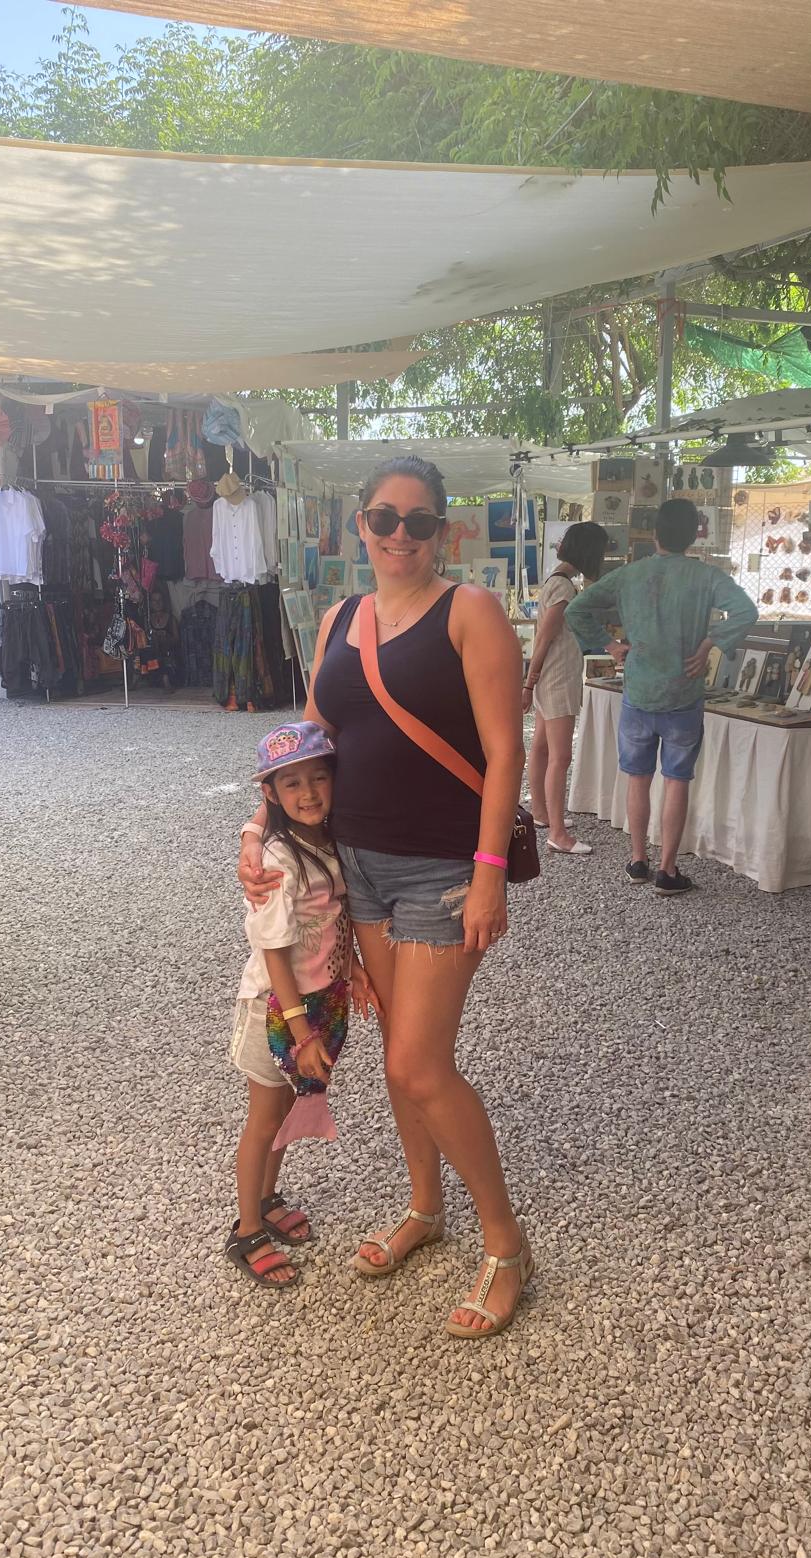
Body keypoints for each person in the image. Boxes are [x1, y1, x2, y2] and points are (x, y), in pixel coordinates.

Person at [239, 455, 533, 1338]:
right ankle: (424, 1206)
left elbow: (504, 752)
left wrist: (487, 872)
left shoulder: (471, 613)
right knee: (401, 1057)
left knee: (418, 1062)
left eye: (418, 520)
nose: (399, 534)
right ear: (358, 527)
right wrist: (261, 832)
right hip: (354, 867)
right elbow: (307, 743)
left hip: (441, 868)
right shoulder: (339, 619)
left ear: (443, 530)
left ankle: (506, 1244)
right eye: (383, 518)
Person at [226, 722, 381, 1288]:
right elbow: (273, 949)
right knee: (265, 1118)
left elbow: (330, 919)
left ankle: (266, 1200)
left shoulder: (325, 841)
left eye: (319, 778)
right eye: (292, 785)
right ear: (270, 795)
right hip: (276, 1007)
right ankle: (246, 1230)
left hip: (316, 1002)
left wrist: (352, 968)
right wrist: (301, 1031)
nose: (309, 793)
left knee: (287, 1110)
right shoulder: (279, 864)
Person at [566, 498, 758, 896]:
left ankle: (638, 861)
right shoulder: (706, 576)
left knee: (637, 778)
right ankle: (668, 870)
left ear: (654, 535)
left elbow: (578, 608)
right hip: (683, 693)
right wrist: (709, 645)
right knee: (676, 781)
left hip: (638, 690)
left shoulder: (630, 575)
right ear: (694, 535)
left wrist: (610, 645)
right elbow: (745, 611)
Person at [524, 520, 609, 857]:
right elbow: (545, 636)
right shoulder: (563, 587)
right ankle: (557, 833)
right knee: (560, 756)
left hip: (552, 676)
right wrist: (529, 681)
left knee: (543, 749)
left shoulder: (556, 581)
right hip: (556, 677)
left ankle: (543, 814)